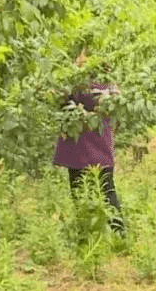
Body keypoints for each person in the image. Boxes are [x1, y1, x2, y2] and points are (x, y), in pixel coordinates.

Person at [53, 47, 124, 233]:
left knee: (93, 189)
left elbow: (62, 101)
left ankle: (108, 231)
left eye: (81, 55)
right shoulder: (102, 82)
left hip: (88, 145)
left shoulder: (87, 83)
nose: (78, 59)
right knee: (98, 189)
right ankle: (99, 231)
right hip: (86, 146)